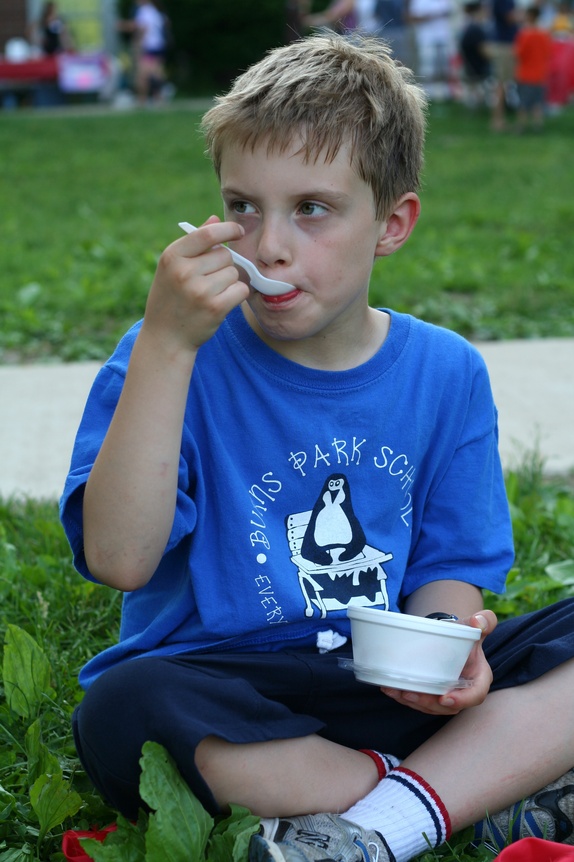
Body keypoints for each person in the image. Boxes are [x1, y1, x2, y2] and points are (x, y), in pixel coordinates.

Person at [60, 33, 574, 862]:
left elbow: (454, 561)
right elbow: (120, 557)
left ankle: (374, 819)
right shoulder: (169, 353)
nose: (268, 244)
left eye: (312, 209)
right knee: (124, 709)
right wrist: (165, 346)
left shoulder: (446, 372)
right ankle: (452, 795)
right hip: (225, 685)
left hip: (382, 683)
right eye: (243, 205)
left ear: (392, 224)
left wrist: (441, 654)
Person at [119, 0, 171, 105]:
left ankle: (141, 100)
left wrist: (122, 26)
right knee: (156, 73)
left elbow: (141, 27)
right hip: (158, 46)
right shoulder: (155, 10)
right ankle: (158, 98)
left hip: (149, 47)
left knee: (142, 75)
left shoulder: (144, 11)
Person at [514, 5, 553, 131]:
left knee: (523, 103)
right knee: (538, 103)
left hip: (525, 73)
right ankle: (538, 125)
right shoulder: (544, 34)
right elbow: (548, 53)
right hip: (540, 74)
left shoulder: (524, 34)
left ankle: (521, 125)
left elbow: (519, 53)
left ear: (529, 16)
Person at [488, 0, 522, 129]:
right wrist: (530, 14)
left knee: (503, 84)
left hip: (506, 44)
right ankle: (497, 120)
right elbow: (510, 17)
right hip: (504, 46)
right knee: (501, 84)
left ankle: (500, 119)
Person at [458, 1, 492, 106]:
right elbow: (485, 52)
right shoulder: (477, 30)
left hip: (469, 67)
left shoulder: (467, 28)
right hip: (479, 69)